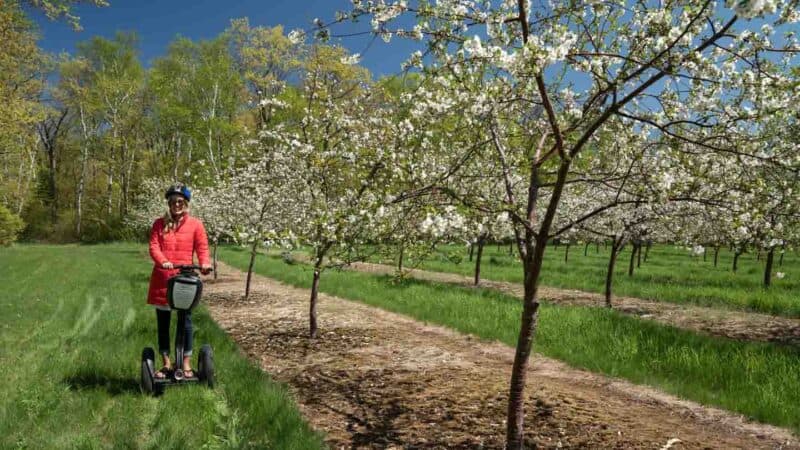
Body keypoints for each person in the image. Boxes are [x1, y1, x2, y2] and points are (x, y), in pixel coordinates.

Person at [147, 184, 212, 379]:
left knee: (186, 321)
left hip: (185, 279)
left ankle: (185, 362)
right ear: (168, 203)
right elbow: (154, 247)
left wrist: (205, 263)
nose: (176, 204)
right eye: (173, 201)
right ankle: (167, 363)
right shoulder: (159, 224)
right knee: (163, 322)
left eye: (180, 201)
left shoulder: (196, 225)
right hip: (163, 279)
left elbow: (202, 248)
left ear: (185, 203)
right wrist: (163, 261)